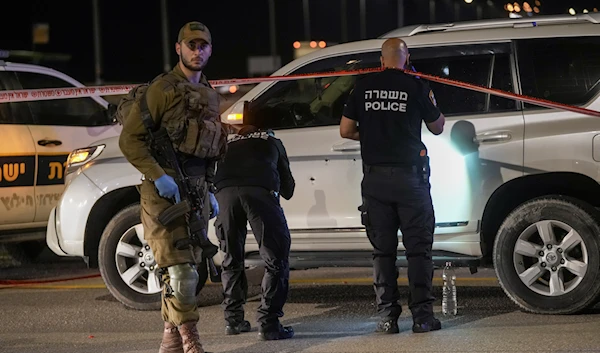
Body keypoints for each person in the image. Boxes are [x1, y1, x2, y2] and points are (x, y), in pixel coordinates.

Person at [119, 21, 229, 353]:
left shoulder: (208, 92)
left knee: (190, 268)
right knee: (180, 271)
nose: (197, 51)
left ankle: (171, 337)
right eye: (191, 45)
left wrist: (210, 187)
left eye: (203, 45)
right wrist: (158, 175)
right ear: (178, 48)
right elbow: (130, 140)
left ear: (210, 49)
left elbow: (209, 147)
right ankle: (191, 341)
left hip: (195, 190)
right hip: (163, 191)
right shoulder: (162, 90)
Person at [339, 38, 446, 334]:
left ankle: (388, 317)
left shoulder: (362, 87)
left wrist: (372, 135)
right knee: (418, 251)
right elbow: (438, 126)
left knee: (383, 253)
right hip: (410, 181)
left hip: (375, 182)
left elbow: (346, 130)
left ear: (381, 60)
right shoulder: (417, 85)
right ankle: (423, 317)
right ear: (406, 58)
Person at [212, 124, 296, 341]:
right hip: (260, 193)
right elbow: (289, 190)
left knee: (231, 258)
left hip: (225, 195)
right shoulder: (272, 141)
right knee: (275, 258)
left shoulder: (227, 143)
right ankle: (269, 324)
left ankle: (233, 321)